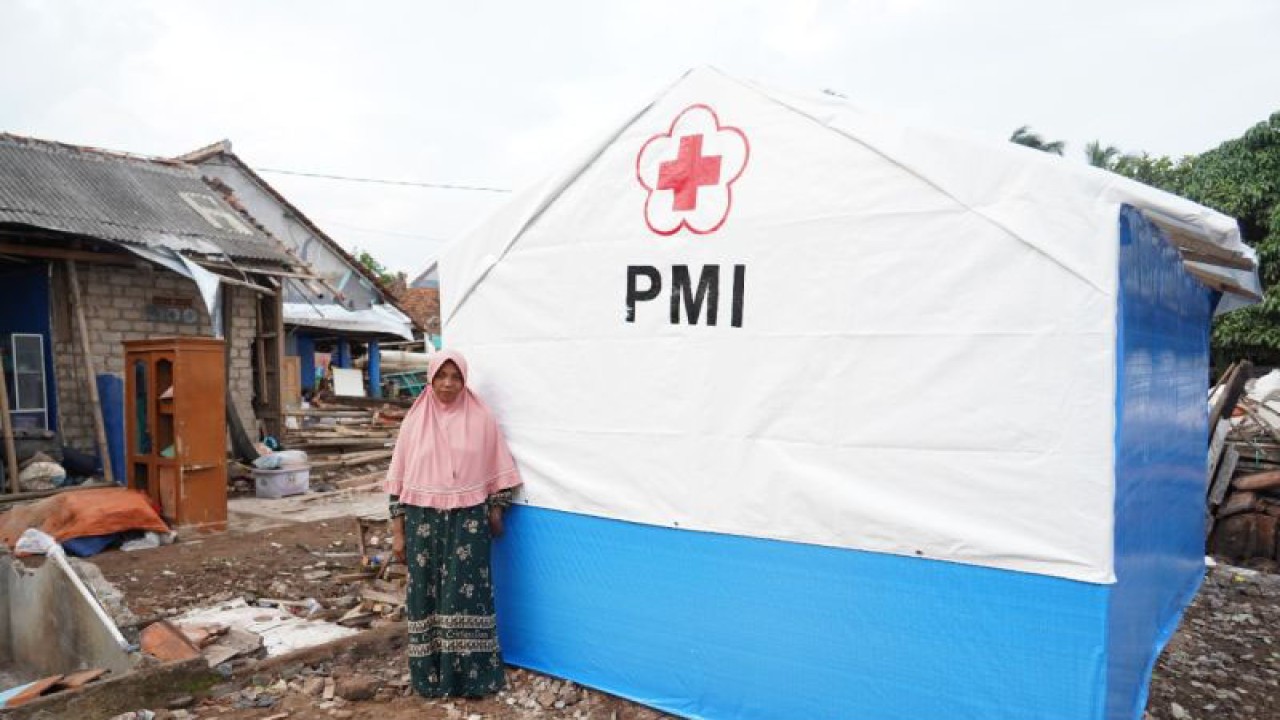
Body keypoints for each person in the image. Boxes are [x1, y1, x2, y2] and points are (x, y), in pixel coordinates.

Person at [385, 349, 523, 698]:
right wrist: (398, 534)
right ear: (430, 379)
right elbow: (397, 483)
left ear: (464, 380)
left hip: (468, 523)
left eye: (456, 377)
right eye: (441, 376)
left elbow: (500, 472)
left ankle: (472, 678)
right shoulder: (414, 422)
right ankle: (430, 677)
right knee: (426, 597)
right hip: (422, 523)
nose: (448, 383)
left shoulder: (481, 419)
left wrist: (496, 511)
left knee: (467, 596)